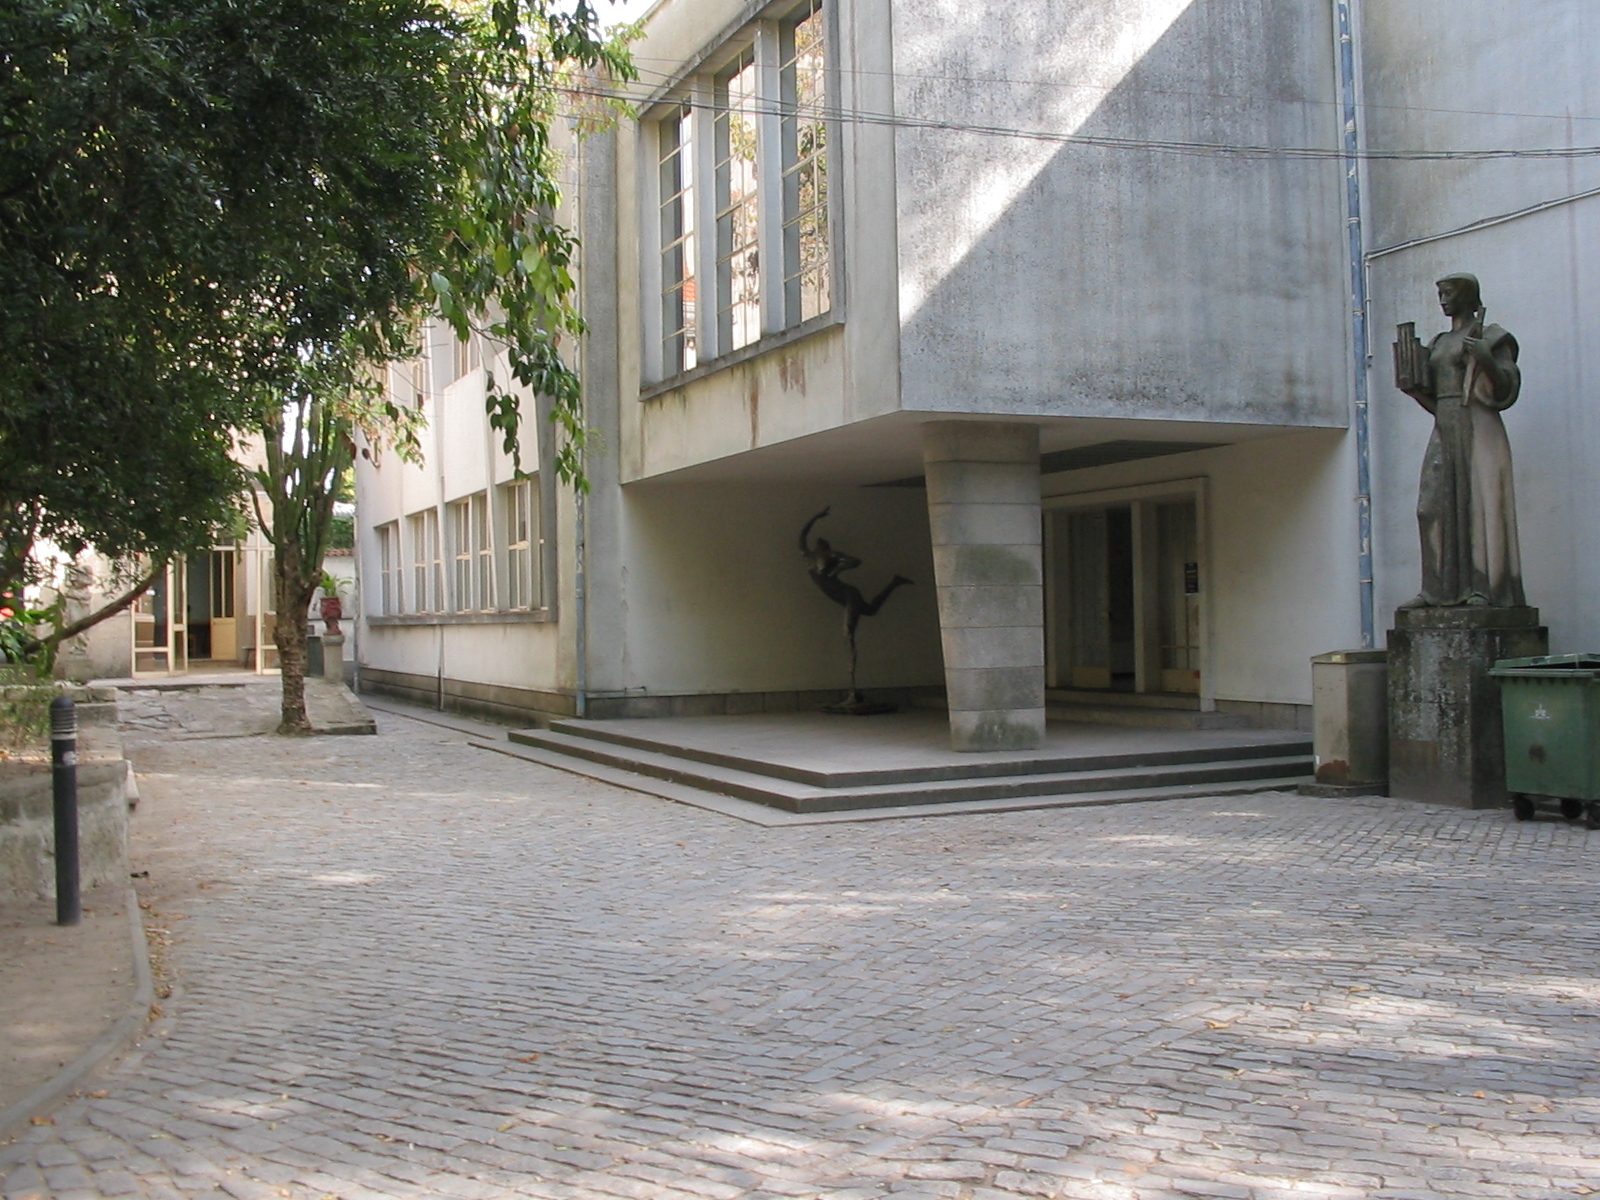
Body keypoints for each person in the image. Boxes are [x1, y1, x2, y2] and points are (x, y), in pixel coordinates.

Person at [1393, 273, 1525, 607]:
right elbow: (1437, 402)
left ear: (1466, 295)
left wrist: (1485, 357)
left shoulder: (1493, 337)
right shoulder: (1438, 342)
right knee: (1431, 507)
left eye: (1448, 293)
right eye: (1439, 293)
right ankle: (1435, 590)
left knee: (1478, 506)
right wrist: (1414, 391)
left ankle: (1483, 588)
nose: (1442, 300)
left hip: (1478, 423)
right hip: (1445, 424)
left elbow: (1506, 390)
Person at [799, 508, 912, 693]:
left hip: (848, 594)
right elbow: (803, 535)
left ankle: (852, 686)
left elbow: (855, 561)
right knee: (870, 611)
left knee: (848, 634)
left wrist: (838, 562)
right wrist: (815, 517)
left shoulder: (832, 558)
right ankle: (895, 582)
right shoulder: (808, 557)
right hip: (842, 596)